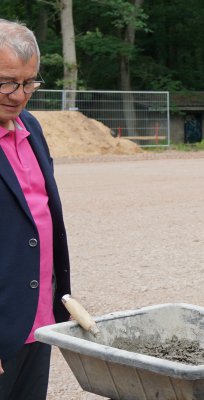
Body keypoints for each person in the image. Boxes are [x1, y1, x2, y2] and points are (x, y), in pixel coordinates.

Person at [0, 18, 72, 400]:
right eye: (7, 81)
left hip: (37, 320)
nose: (19, 94)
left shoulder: (31, 127)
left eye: (29, 82)